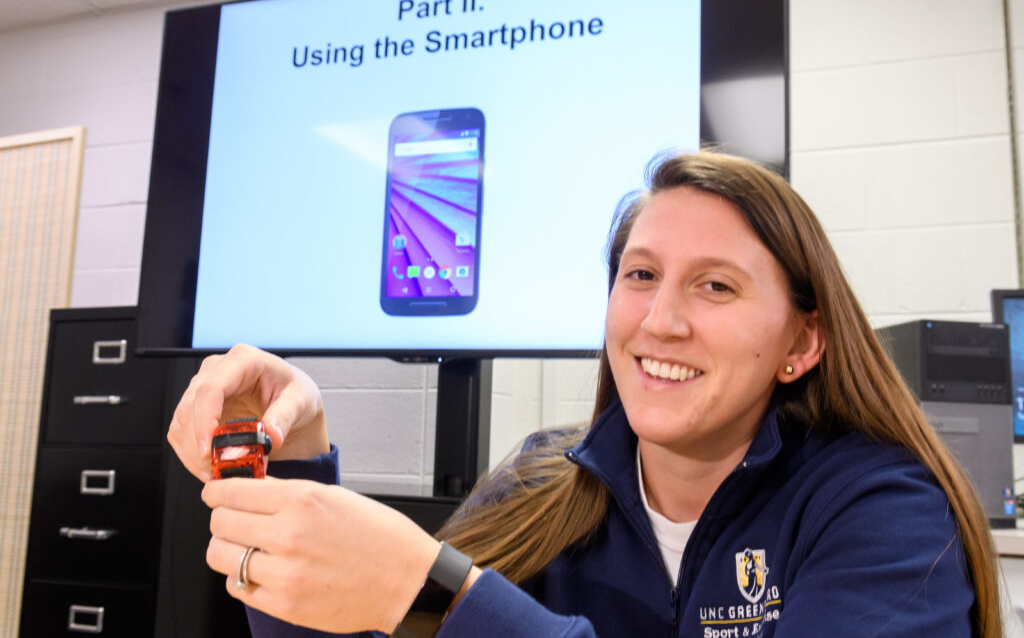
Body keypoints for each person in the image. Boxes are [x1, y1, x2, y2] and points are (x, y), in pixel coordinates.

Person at [168, 150, 1000, 637]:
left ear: (801, 341)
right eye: (640, 275)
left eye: (715, 287)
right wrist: (297, 462)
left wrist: (439, 596)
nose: (660, 320)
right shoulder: (540, 478)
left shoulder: (881, 510)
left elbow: (433, 607)